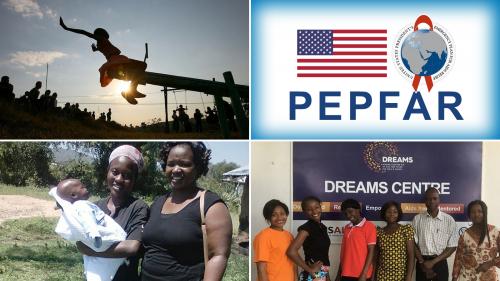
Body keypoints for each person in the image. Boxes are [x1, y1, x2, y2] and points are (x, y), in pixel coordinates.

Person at [141, 142, 232, 281]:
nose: (176, 169)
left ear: (198, 168)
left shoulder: (211, 205)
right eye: (171, 164)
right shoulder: (157, 203)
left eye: (184, 164)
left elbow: (218, 256)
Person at [75, 145, 150, 281]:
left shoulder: (138, 207)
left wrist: (92, 248)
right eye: (115, 172)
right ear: (107, 172)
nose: (119, 179)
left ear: (134, 180)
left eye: (127, 176)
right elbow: (80, 243)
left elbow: (131, 247)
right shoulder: (94, 207)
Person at [50, 178, 127, 281]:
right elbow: (88, 221)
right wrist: (94, 233)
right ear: (73, 195)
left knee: (97, 270)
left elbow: (64, 204)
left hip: (97, 245)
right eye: (82, 187)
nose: (85, 187)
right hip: (99, 237)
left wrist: (59, 204)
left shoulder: (73, 208)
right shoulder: (81, 205)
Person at [59, 17, 147, 105]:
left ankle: (131, 91)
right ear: (101, 34)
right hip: (117, 60)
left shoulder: (101, 44)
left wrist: (94, 49)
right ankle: (131, 91)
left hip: (115, 60)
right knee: (142, 65)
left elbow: (98, 49)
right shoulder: (101, 39)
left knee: (139, 69)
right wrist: (66, 28)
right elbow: (84, 32)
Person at [412, 187, 458, 281]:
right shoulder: (417, 219)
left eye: (434, 198)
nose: (432, 201)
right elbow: (412, 243)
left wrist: (433, 262)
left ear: (439, 200)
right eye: (428, 199)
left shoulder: (449, 220)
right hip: (422, 263)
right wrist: (422, 261)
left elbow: (452, 246)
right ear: (425, 201)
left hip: (440, 263)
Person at [452, 200, 500, 281]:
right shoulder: (464, 235)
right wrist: (454, 277)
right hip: (467, 277)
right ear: (469, 215)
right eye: (473, 212)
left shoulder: (495, 232)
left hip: (489, 278)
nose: (476, 214)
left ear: (484, 213)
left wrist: (490, 263)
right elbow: (458, 259)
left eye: (479, 211)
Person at [287, 196, 330, 281]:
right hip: (314, 275)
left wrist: (327, 276)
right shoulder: (305, 229)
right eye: (309, 209)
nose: (314, 211)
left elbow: (323, 254)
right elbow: (291, 252)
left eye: (316, 207)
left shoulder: (323, 227)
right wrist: (309, 270)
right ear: (304, 212)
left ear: (321, 207)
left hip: (322, 273)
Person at [254, 199, 296, 281]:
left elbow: (294, 262)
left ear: (286, 215)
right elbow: (261, 268)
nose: (279, 218)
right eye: (274, 215)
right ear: (268, 217)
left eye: (282, 214)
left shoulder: (289, 236)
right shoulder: (263, 237)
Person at [336, 198, 376, 281]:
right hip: (345, 273)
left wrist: (364, 274)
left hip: (361, 275)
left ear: (358, 209)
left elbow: (371, 252)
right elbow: (344, 253)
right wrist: (339, 273)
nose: (348, 216)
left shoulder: (369, 226)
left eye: (350, 211)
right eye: (345, 213)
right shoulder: (347, 228)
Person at [374, 201, 415, 281]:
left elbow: (411, 255)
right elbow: (376, 257)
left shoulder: (406, 230)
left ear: (399, 213)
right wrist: (374, 276)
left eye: (395, 212)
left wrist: (409, 276)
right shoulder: (379, 232)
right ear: (384, 213)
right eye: (389, 212)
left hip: (401, 276)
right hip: (382, 276)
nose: (392, 214)